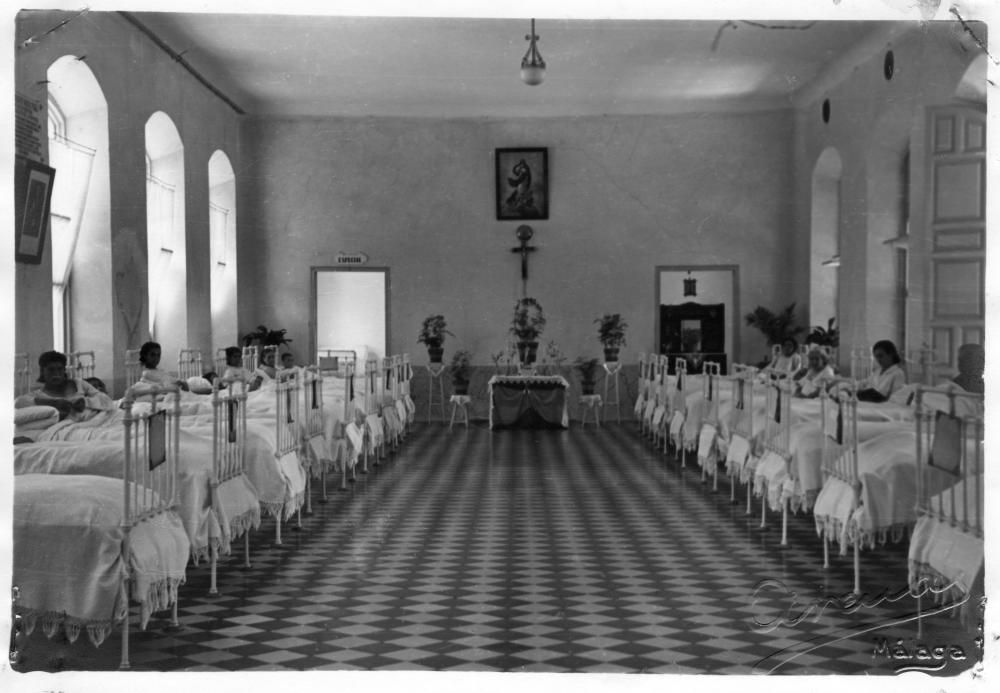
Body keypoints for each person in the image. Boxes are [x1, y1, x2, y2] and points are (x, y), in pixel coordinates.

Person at [15, 351, 114, 421]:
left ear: (64, 370)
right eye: (51, 370)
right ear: (42, 371)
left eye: (60, 369)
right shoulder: (38, 395)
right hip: (71, 428)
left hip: (96, 421)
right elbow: (18, 403)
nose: (56, 374)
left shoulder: (78, 383)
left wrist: (86, 402)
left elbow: (105, 400)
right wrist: (54, 403)